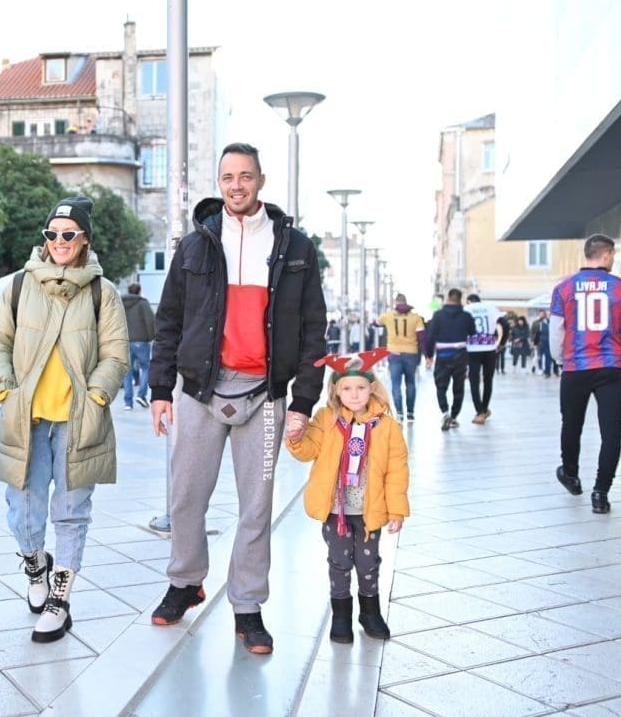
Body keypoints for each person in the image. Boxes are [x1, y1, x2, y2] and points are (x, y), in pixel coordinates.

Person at [148, 142, 327, 654]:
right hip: (199, 389)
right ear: (219, 183)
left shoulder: (295, 248)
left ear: (260, 181)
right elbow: (169, 321)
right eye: (228, 177)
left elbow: (314, 329)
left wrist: (302, 402)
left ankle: (247, 606)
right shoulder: (196, 245)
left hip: (265, 395)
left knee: (256, 505)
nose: (236, 185)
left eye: (245, 176)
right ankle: (186, 582)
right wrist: (160, 390)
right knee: (186, 496)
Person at [0, 195, 128, 643]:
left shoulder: (102, 292)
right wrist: (5, 388)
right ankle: (35, 565)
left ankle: (60, 598)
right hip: (26, 419)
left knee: (71, 513)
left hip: (78, 422)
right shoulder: (20, 286)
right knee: (23, 511)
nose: (59, 241)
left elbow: (116, 353)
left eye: (69, 234)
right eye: (52, 234)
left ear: (84, 239)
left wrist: (98, 394)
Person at [285, 349, 409, 643]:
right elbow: (308, 451)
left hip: (369, 510)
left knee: (368, 564)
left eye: (361, 388)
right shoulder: (326, 419)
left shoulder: (386, 427)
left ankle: (370, 612)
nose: (354, 395)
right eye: (347, 388)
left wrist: (396, 510)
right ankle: (341, 616)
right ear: (336, 391)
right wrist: (296, 438)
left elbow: (397, 471)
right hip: (335, 510)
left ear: (371, 388)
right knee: (339, 562)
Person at [550, 233, 621, 515]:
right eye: (613, 255)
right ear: (606, 254)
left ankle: (571, 474)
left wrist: (560, 360)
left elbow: (556, 332)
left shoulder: (563, 288)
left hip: (576, 366)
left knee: (571, 424)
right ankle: (601, 492)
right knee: (611, 431)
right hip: (612, 366)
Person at [423, 288, 476, 431]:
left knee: (441, 387)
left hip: (443, 355)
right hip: (460, 355)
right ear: (460, 299)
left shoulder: (438, 315)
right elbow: (473, 333)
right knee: (458, 387)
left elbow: (430, 337)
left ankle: (445, 412)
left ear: (448, 298)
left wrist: (429, 355)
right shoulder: (466, 316)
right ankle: (454, 416)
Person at [377, 293, 426, 422]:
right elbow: (422, 337)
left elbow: (375, 323)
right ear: (405, 302)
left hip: (394, 353)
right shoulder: (416, 318)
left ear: (396, 303)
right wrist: (427, 355)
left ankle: (399, 413)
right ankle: (410, 413)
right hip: (411, 353)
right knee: (410, 383)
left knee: (396, 384)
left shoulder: (388, 316)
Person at [464, 294, 503, 425]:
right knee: (488, 380)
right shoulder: (491, 308)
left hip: (473, 349)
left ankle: (479, 411)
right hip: (490, 348)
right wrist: (500, 343)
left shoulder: (466, 309)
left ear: (469, 301)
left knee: (474, 381)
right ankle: (485, 408)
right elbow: (504, 324)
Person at [121, 281, 156, 410]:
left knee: (127, 371)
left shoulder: (120, 303)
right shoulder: (143, 303)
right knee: (146, 368)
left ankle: (128, 402)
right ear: (139, 291)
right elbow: (150, 321)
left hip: (124, 341)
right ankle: (141, 395)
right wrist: (151, 337)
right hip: (141, 341)